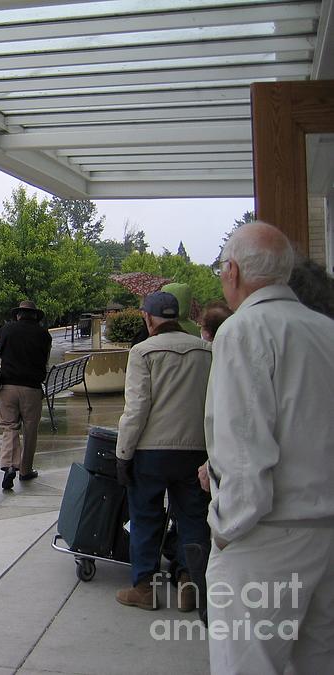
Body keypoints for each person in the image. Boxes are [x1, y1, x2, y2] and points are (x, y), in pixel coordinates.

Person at [204, 221, 334, 674]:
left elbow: (245, 453)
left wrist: (224, 527)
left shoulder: (243, 332)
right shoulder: (325, 330)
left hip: (267, 541)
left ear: (233, 272)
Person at [114, 291, 212, 611]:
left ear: (148, 317)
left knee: (145, 517)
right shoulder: (206, 350)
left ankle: (144, 587)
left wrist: (123, 453)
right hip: (196, 450)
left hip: (150, 451)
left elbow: (137, 408)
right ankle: (189, 583)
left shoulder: (142, 351)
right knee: (193, 517)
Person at [0, 300, 51, 490]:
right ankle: (25, 470)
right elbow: (44, 359)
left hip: (8, 386)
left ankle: (10, 465)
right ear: (35, 315)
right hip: (32, 388)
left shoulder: (7, 330)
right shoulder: (44, 334)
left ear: (18, 314)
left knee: (10, 426)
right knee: (30, 430)